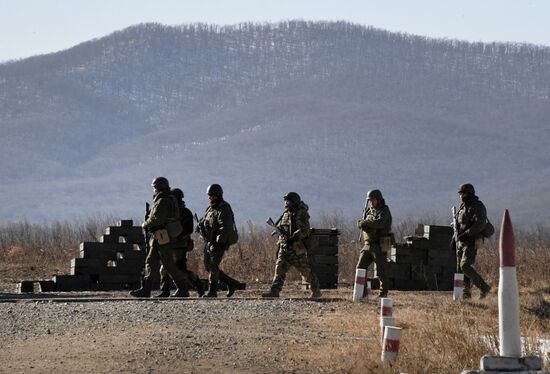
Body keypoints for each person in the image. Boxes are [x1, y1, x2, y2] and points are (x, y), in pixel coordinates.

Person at [129, 177, 192, 298]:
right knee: (151, 262)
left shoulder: (163, 200)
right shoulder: (169, 198)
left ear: (158, 187)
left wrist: (145, 224)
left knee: (168, 264)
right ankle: (145, 289)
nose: (153, 190)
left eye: (154, 187)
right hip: (160, 237)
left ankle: (183, 288)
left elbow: (157, 219)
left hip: (162, 237)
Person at [262, 192, 321, 298]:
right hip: (284, 248)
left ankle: (316, 290)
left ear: (294, 202)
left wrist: (294, 237)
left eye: (288, 201)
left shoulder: (301, 213)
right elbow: (282, 228)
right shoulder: (285, 214)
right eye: (285, 201)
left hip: (296, 249)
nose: (286, 203)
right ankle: (274, 291)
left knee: (305, 271)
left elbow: (305, 229)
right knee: (279, 269)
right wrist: (279, 237)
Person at [156, 188, 204, 297]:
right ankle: (165, 291)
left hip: (180, 246)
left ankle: (197, 284)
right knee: (164, 268)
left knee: (179, 269)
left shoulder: (185, 212)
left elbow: (188, 229)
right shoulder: (170, 212)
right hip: (169, 244)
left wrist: (178, 237)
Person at [196, 184, 241, 298]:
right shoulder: (210, 208)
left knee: (213, 266)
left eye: (212, 196)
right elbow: (206, 222)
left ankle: (212, 291)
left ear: (217, 195)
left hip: (218, 243)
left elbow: (226, 226)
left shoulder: (223, 207)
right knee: (208, 266)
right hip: (209, 242)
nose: (210, 198)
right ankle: (231, 284)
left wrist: (219, 240)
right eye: (209, 195)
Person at [452, 183, 491, 299]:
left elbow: (481, 223)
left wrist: (467, 234)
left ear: (469, 194)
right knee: (460, 268)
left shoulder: (478, 206)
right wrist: (454, 238)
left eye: (463, 193)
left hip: (472, 241)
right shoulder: (462, 207)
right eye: (460, 194)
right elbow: (458, 225)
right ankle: (465, 293)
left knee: (465, 266)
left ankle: (484, 287)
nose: (461, 196)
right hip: (461, 242)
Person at [356, 189, 392, 298]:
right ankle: (361, 293)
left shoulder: (384, 211)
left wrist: (365, 223)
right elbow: (364, 223)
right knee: (360, 268)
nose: (371, 203)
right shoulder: (368, 211)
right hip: (368, 244)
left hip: (379, 245)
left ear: (378, 200)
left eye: (373, 200)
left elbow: (379, 223)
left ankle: (383, 293)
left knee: (381, 271)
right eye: (370, 200)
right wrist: (362, 224)